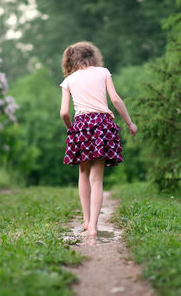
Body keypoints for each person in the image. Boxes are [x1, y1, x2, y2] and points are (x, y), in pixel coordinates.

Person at [59, 41, 137, 241]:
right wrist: (129, 123)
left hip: (82, 126)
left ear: (72, 60)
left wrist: (72, 130)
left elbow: (64, 112)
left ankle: (86, 221)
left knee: (83, 173)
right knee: (97, 178)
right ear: (93, 56)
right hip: (103, 124)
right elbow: (116, 100)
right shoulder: (103, 72)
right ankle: (94, 226)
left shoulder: (69, 80)